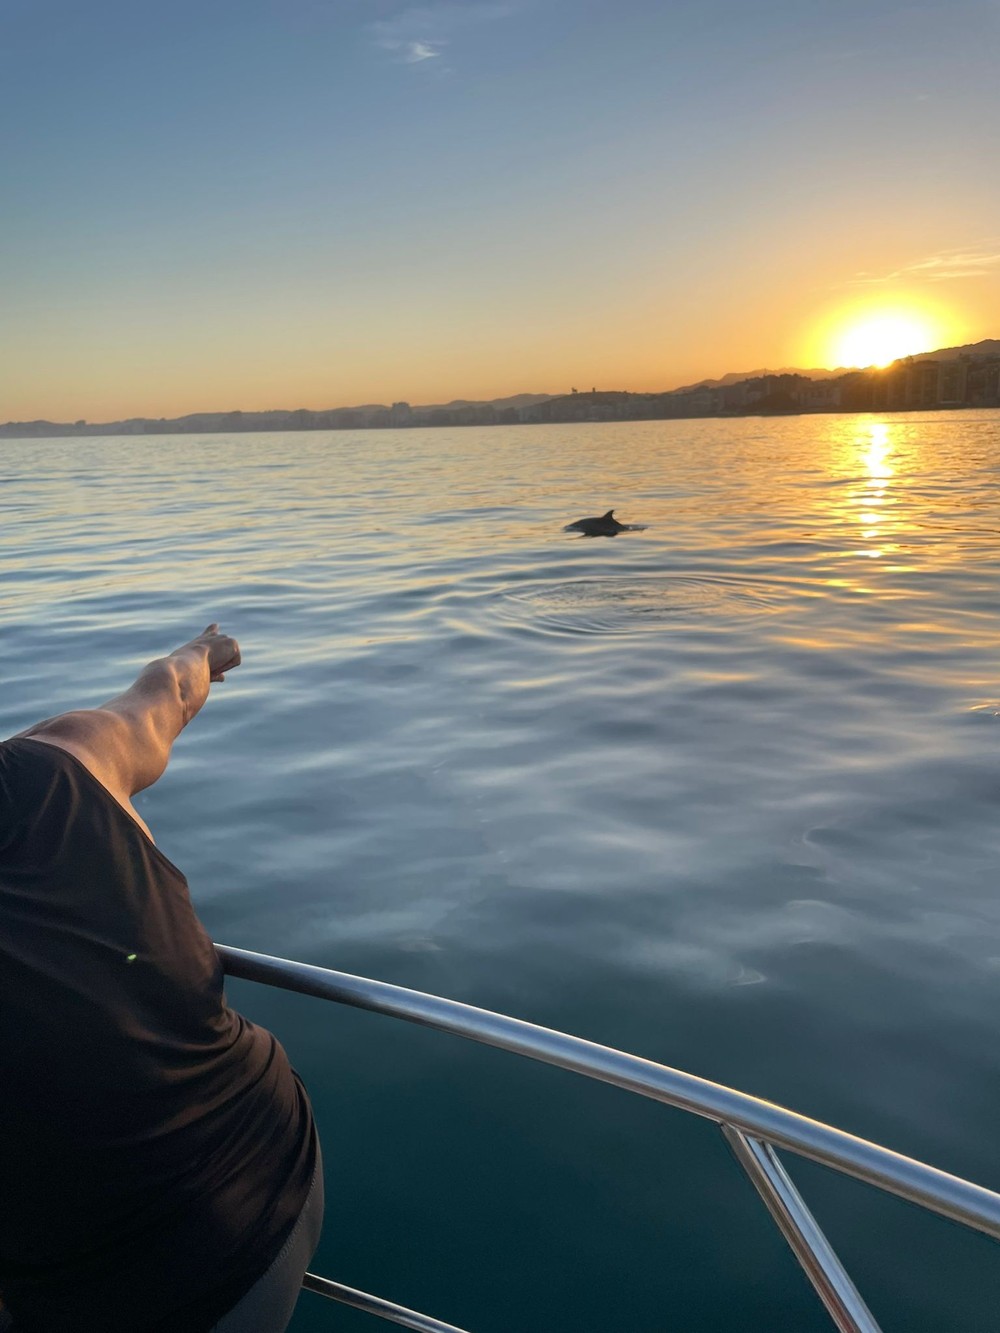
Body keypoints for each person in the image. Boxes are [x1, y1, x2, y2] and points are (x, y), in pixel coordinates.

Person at [0, 626, 322, 1333]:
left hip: (178, 1276)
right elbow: (168, 691)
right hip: (272, 1146)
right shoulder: (57, 759)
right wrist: (208, 649)